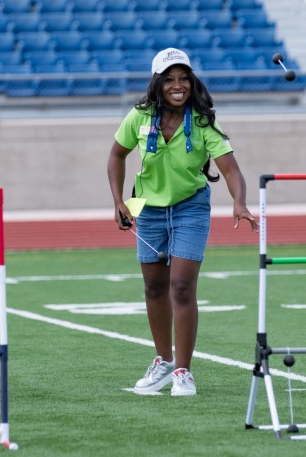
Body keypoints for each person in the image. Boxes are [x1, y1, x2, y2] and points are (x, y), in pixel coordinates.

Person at [107, 48, 258, 396]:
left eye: (184, 78)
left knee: (181, 286)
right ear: (158, 84)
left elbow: (231, 169)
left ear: (192, 81)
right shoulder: (140, 116)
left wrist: (239, 201)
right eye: (170, 79)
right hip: (148, 208)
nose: (178, 85)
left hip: (190, 207)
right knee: (154, 288)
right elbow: (116, 155)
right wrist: (119, 202)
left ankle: (182, 371)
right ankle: (162, 361)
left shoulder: (204, 121)